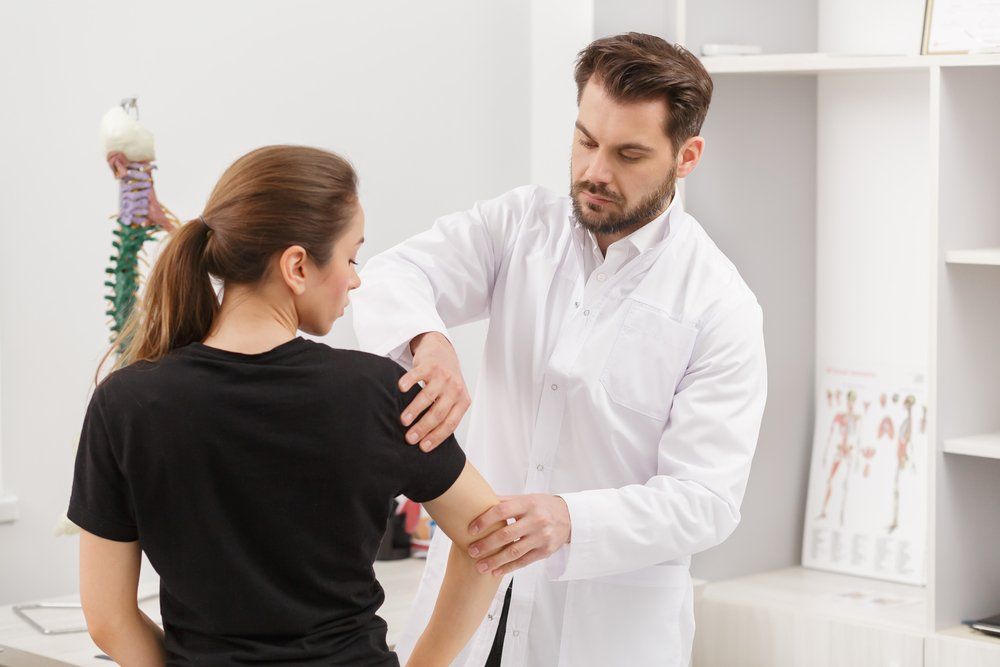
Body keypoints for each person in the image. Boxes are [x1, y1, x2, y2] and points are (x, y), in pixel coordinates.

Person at [352, 33, 768, 666]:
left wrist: (569, 520)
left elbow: (706, 501)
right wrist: (427, 340)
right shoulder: (520, 226)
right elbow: (387, 274)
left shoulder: (719, 306)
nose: (596, 171)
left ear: (688, 157)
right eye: (585, 140)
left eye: (629, 153)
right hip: (469, 623)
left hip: (602, 637)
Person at [68, 145, 504, 666]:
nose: (356, 278)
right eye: (351, 256)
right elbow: (492, 536)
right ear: (297, 265)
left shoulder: (125, 404)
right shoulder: (378, 392)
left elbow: (107, 620)